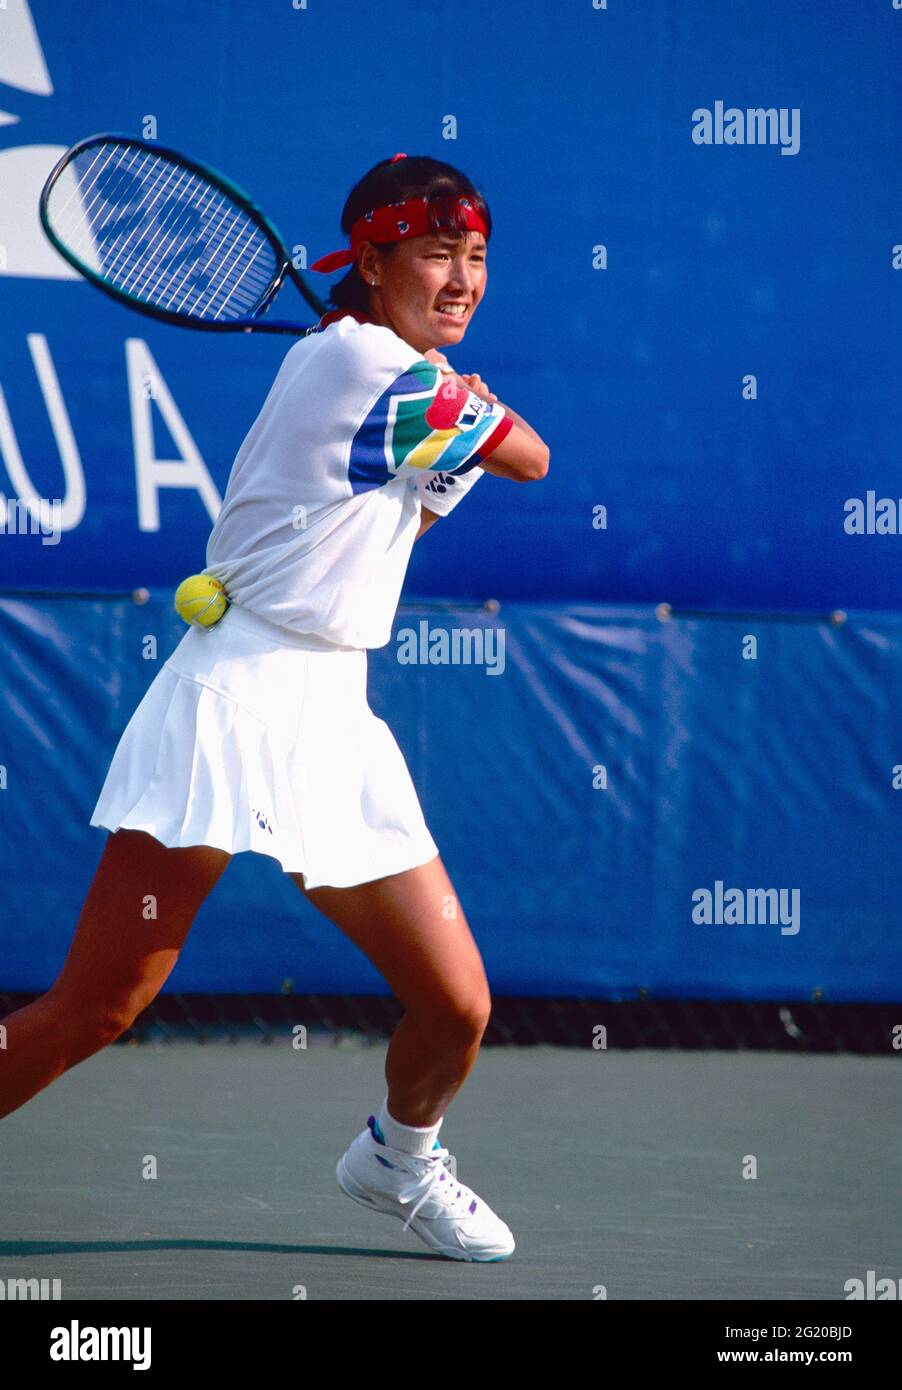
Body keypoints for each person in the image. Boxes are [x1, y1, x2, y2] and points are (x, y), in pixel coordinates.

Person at [0, 152, 550, 1263]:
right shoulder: (361, 367)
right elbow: (533, 458)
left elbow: (391, 527)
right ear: (372, 259)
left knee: (456, 1004)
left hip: (330, 718)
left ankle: (398, 1155)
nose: (462, 278)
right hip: (230, 698)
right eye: (438, 252)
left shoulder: (385, 373)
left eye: (476, 256)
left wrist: (460, 440)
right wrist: (483, 417)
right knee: (100, 1006)